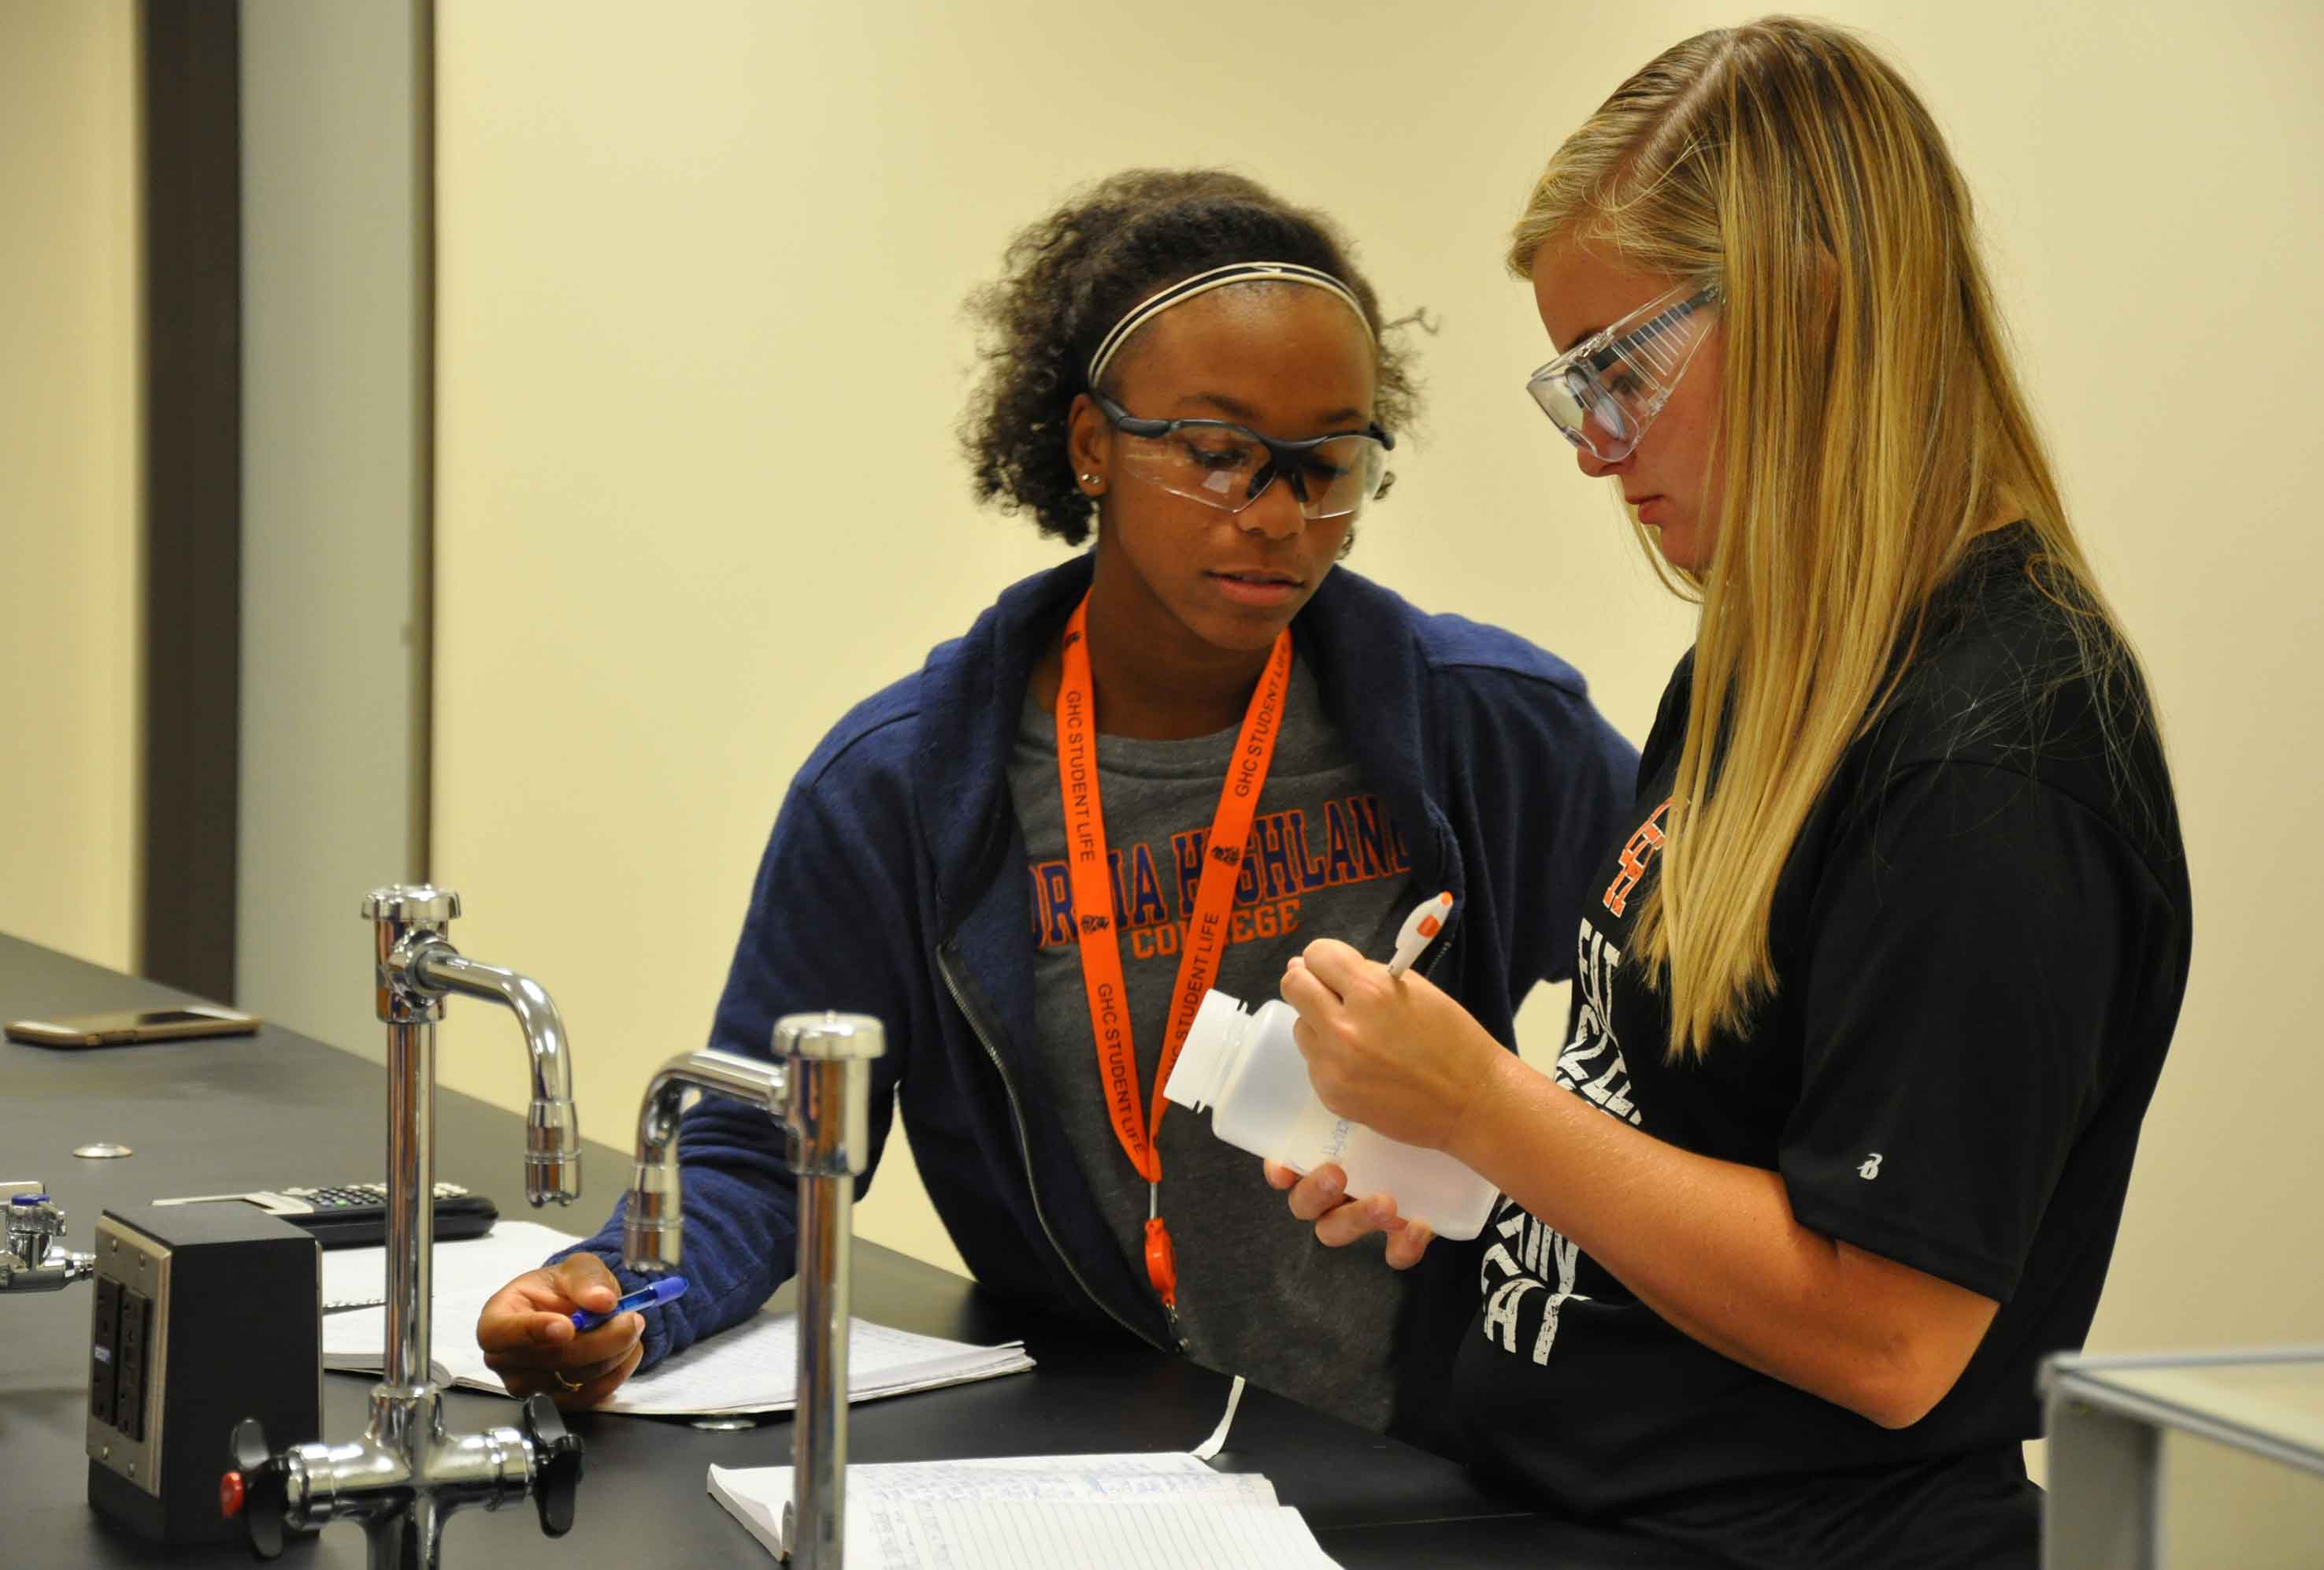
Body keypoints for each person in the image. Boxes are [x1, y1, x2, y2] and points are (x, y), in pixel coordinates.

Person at [472, 168, 1637, 1448]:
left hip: (1440, 1460)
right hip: (1102, 1452)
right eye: (1217, 454)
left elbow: (1695, 1048)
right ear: (1093, 445)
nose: (1279, 518)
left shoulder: (1485, 725)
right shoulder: (900, 791)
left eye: (1330, 463)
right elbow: (762, 1151)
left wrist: (1519, 1167)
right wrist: (617, 1292)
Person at [1271, 20, 2190, 1566]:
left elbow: (1886, 1331)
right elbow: (1698, 1133)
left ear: (1814, 311)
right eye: (1574, 391)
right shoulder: (1767, 659)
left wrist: (1490, 1106)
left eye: (1622, 372)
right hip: (1563, 1492)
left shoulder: (1999, 758)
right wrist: (1477, 1167)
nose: (1595, 452)